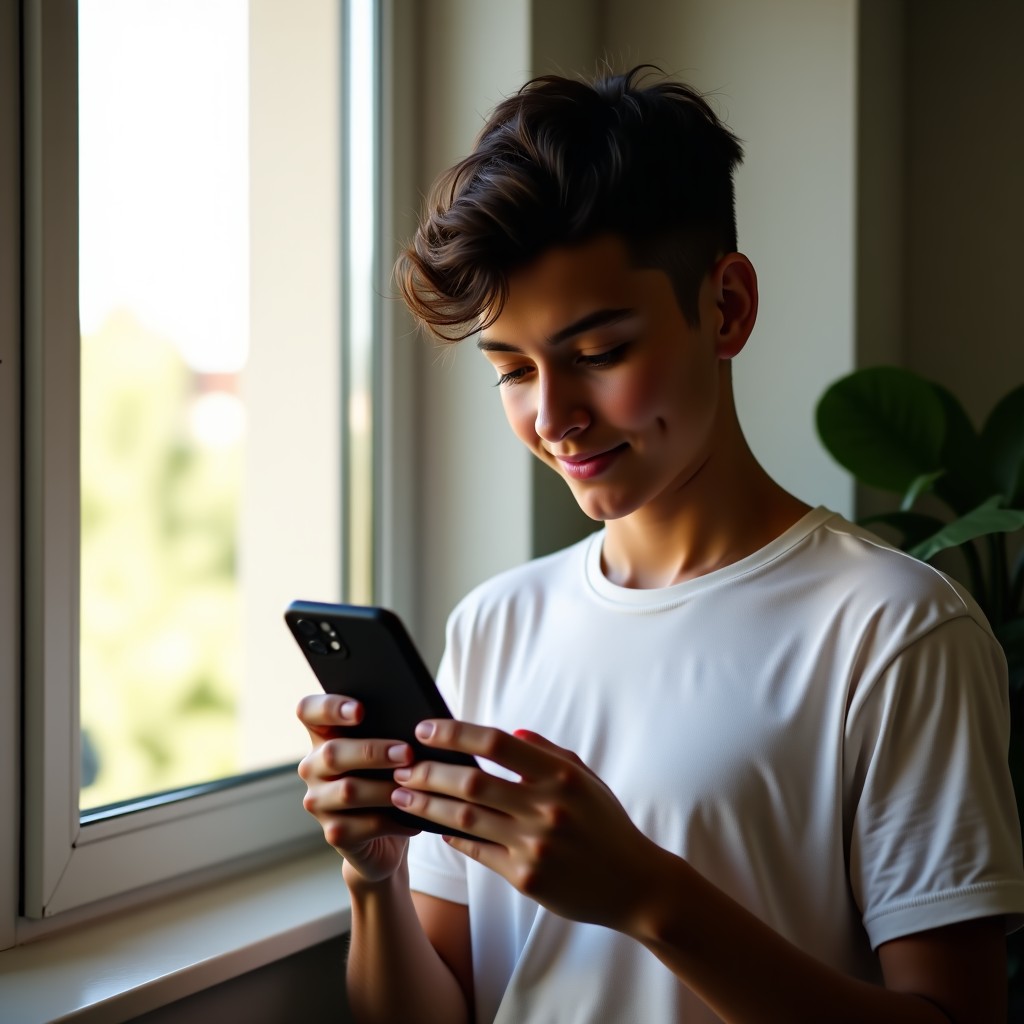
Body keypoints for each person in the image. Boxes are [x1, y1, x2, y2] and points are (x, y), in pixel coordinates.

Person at [296, 67, 1024, 1023]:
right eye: (513, 369)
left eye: (597, 355)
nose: (553, 416)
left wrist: (647, 896)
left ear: (724, 310)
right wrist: (373, 877)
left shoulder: (894, 630)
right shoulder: (496, 624)